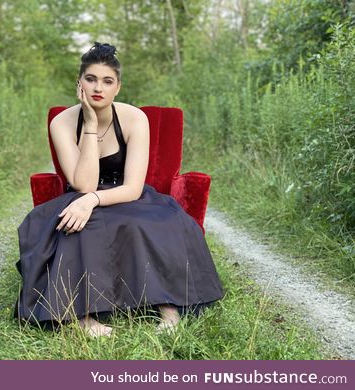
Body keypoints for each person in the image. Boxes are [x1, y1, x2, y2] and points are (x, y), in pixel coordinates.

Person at [14, 42, 224, 338]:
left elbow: (134, 187)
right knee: (77, 227)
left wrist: (94, 199)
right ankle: (84, 316)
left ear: (118, 87)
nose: (98, 88)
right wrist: (88, 123)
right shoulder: (62, 122)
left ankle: (169, 308)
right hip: (81, 193)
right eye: (91, 79)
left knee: (152, 222)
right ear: (79, 83)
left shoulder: (134, 118)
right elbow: (84, 184)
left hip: (127, 194)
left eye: (107, 81)